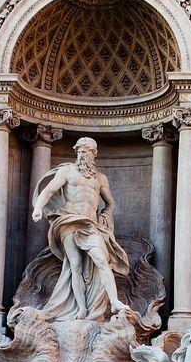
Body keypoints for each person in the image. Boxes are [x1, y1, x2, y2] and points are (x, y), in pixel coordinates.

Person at [30, 137, 130, 321]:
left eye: (86, 151)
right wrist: (38, 208)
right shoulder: (67, 171)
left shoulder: (101, 179)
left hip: (91, 225)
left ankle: (114, 301)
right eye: (79, 151)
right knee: (74, 266)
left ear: (94, 154)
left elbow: (110, 203)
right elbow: (49, 190)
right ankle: (81, 309)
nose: (82, 154)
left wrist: (105, 216)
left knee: (101, 260)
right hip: (69, 221)